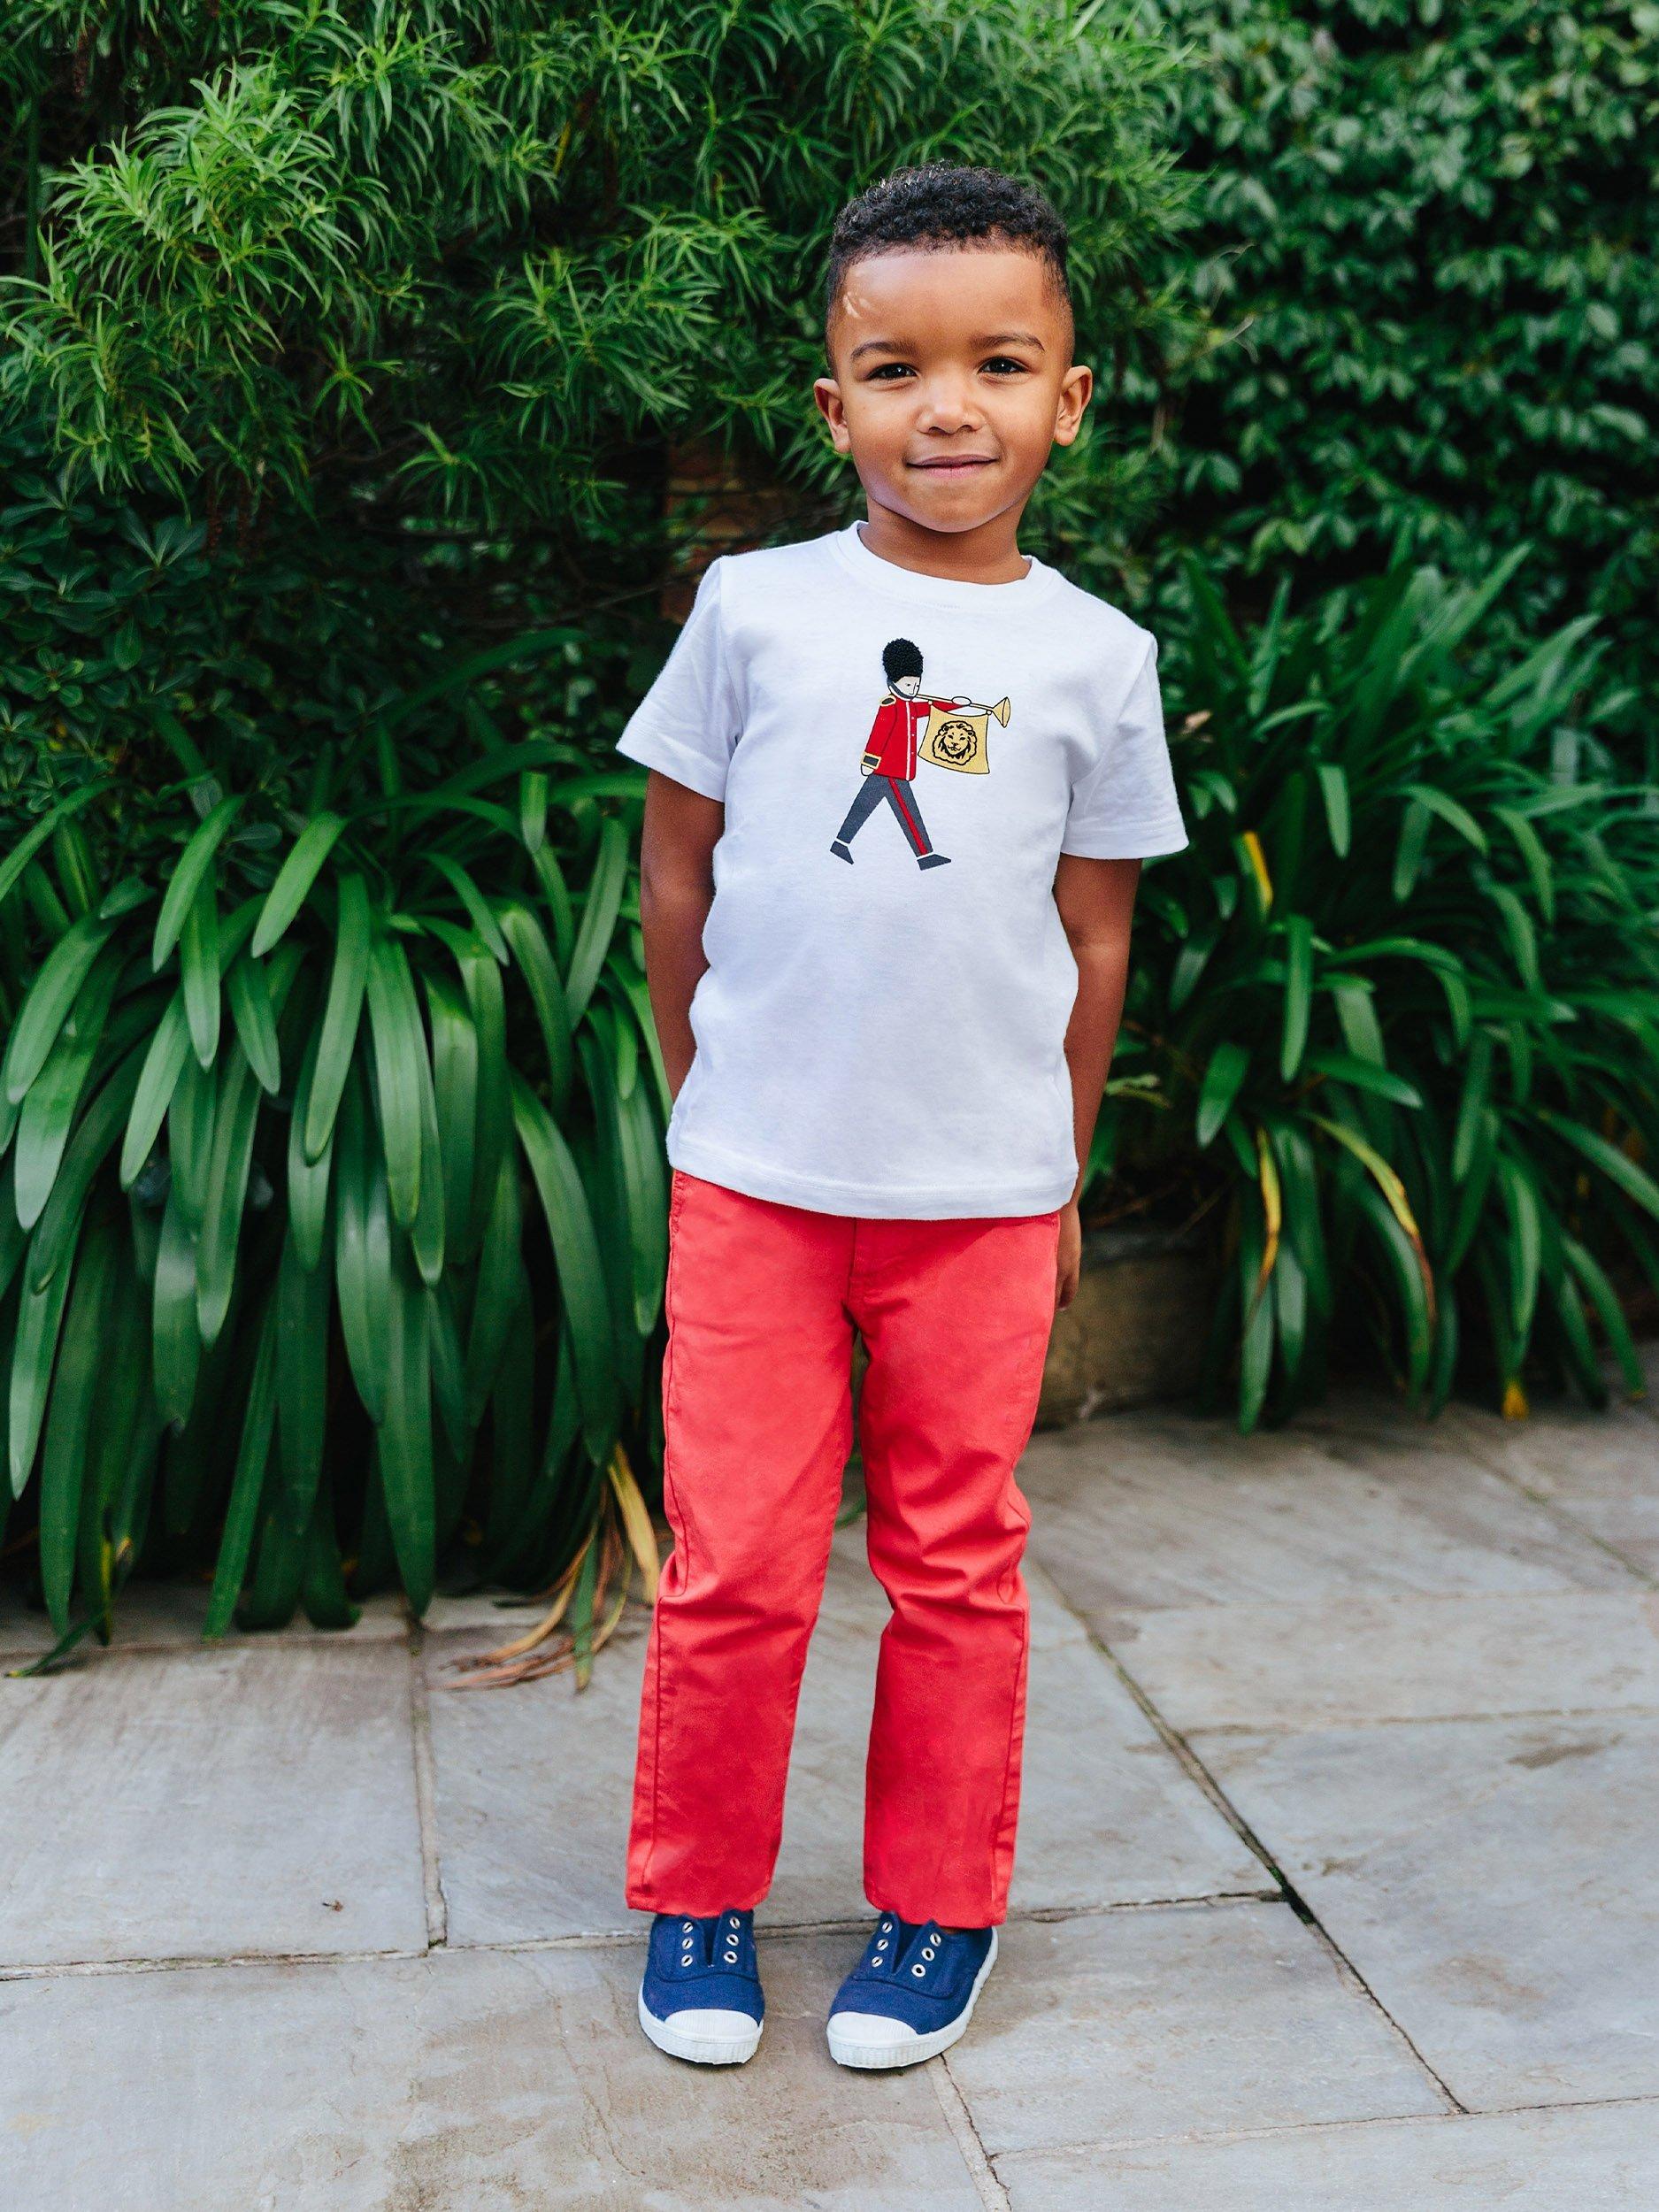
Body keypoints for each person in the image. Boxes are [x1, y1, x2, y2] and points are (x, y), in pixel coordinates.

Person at [614, 163, 1189, 2072]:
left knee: (953, 1561)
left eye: (998, 365)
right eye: (896, 369)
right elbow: (675, 873)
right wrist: (705, 1096)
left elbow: (1093, 938)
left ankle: (939, 1908)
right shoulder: (753, 608)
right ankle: (699, 1895)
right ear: (833, 401)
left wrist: (1058, 1167)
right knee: (735, 1562)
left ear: (1067, 399)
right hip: (756, 1187)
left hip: (978, 1198)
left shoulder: (1099, 658)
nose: (949, 407)